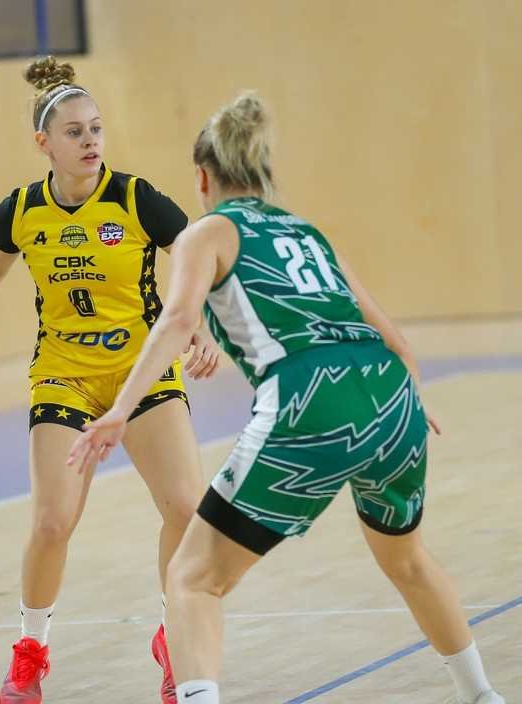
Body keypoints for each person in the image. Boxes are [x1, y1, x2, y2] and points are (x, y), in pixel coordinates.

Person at [68, 91, 504, 704]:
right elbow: (396, 341)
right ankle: (482, 695)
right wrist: (401, 405)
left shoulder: (206, 233)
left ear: (203, 177)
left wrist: (119, 409)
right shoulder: (308, 233)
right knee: (408, 563)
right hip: (391, 395)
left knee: (192, 579)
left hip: (308, 397)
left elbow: (176, 321)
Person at [0, 56, 220, 703]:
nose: (91, 141)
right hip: (63, 377)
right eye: (75, 132)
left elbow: (202, 257)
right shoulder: (21, 210)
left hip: (140, 373)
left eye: (96, 128)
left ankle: (173, 637)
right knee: (52, 523)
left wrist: (203, 326)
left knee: (187, 509)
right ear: (43, 142)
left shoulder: (135, 199)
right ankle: (30, 652)